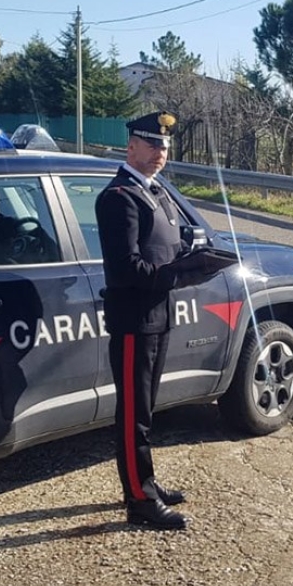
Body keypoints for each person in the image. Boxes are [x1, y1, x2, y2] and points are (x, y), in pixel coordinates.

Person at [95, 110, 192, 530]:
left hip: (158, 315)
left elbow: (173, 241)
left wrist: (194, 258)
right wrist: (177, 272)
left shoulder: (157, 191)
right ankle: (139, 500)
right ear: (130, 146)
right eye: (152, 143)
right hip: (135, 319)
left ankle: (146, 481)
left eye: (165, 145)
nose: (160, 152)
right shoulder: (119, 197)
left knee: (147, 411)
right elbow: (126, 267)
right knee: (134, 414)